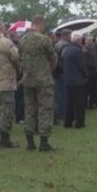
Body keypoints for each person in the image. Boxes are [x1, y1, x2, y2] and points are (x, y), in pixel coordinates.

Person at [18, 15, 58, 151]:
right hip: (43, 80)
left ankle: (29, 141)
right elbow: (53, 58)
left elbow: (20, 59)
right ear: (40, 24)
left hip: (28, 80)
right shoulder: (44, 40)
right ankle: (44, 142)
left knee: (29, 110)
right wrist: (47, 70)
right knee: (45, 110)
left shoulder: (22, 40)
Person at [62, 32, 87, 128]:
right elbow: (82, 66)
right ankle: (79, 122)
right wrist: (85, 75)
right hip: (78, 80)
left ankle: (68, 122)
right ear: (79, 40)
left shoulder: (67, 49)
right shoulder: (77, 51)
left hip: (68, 79)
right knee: (79, 103)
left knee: (69, 102)